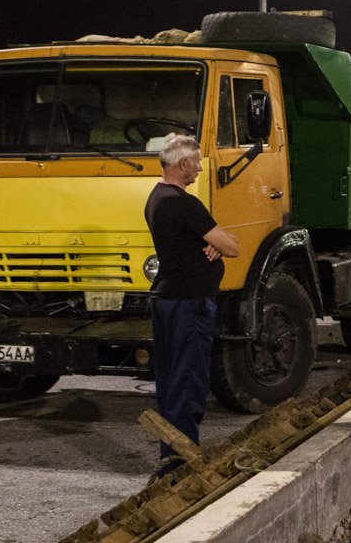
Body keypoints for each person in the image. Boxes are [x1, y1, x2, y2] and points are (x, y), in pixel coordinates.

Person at [144, 135, 239, 477]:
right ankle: (180, 465)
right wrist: (218, 244)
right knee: (189, 383)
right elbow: (232, 247)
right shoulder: (183, 203)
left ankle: (170, 457)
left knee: (171, 383)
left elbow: (212, 243)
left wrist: (212, 244)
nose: (200, 167)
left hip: (169, 301)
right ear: (182, 165)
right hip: (188, 304)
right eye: (196, 162)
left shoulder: (156, 198)